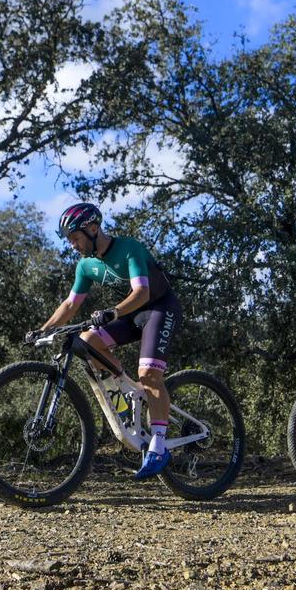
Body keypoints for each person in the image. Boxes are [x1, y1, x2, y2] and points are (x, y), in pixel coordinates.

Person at [28, 203, 182, 479]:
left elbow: (142, 292)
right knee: (88, 340)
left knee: (148, 374)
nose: (73, 245)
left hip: (159, 308)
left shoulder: (128, 248)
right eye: (70, 240)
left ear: (93, 229)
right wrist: (43, 329)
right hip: (130, 314)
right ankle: (129, 391)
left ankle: (159, 445)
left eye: (75, 238)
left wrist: (113, 312)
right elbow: (70, 304)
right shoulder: (86, 266)